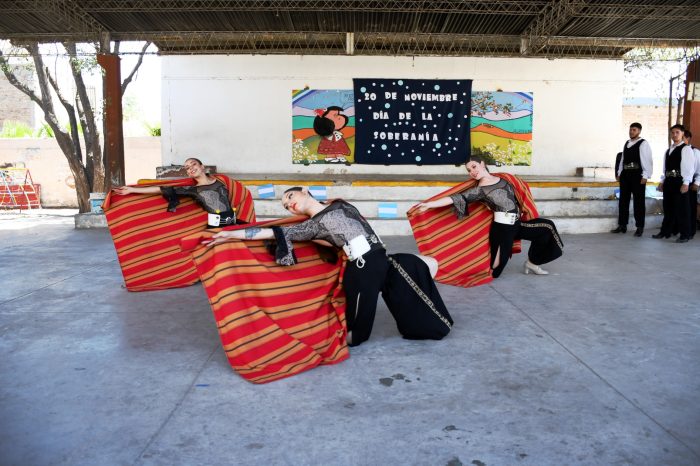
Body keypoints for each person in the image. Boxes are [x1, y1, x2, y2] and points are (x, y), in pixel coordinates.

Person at [205, 187, 451, 347]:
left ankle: (430, 325)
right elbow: (272, 232)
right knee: (356, 333)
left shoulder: (340, 205)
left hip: (380, 257)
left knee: (415, 269)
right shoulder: (310, 226)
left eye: (290, 197)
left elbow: (358, 225)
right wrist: (231, 236)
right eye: (284, 205)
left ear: (304, 191)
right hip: (362, 267)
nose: (288, 204)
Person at [415, 156, 563, 278]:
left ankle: (533, 262)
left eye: (474, 167)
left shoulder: (504, 178)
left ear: (482, 164)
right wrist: (430, 204)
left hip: (517, 224)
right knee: (495, 271)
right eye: (468, 170)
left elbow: (519, 190)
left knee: (546, 227)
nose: (472, 172)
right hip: (503, 230)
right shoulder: (479, 190)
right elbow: (455, 198)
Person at [112, 157, 244, 228]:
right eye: (187, 168)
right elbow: (161, 189)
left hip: (233, 222)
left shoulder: (221, 180)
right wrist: (132, 189)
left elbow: (240, 191)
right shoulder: (193, 190)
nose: (191, 168)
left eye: (193, 164)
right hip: (217, 228)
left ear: (202, 167)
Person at [653, 125, 695, 243]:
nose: (674, 135)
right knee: (668, 208)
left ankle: (685, 234)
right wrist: (662, 181)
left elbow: (689, 168)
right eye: (672, 133)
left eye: (677, 132)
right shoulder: (668, 150)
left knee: (682, 209)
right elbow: (664, 168)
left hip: (679, 181)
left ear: (682, 134)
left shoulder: (686, 149)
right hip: (669, 181)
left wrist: (686, 183)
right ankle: (665, 232)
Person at [611, 122, 652, 237]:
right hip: (625, 175)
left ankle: (640, 227)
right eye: (630, 130)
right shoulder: (627, 143)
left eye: (634, 130)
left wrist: (645, 176)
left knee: (639, 202)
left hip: (637, 175)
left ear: (639, 131)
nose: (631, 132)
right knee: (623, 201)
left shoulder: (643, 144)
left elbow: (647, 160)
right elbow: (622, 159)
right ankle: (622, 225)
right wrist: (619, 172)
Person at [683, 129, 700, 239]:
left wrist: (697, 182)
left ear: (687, 138)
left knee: (691, 207)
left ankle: (691, 230)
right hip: (679, 182)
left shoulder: (695, 151)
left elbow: (698, 168)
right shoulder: (675, 150)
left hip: (691, 182)